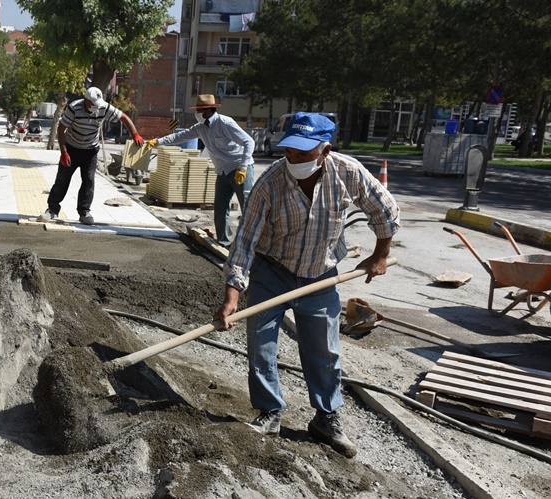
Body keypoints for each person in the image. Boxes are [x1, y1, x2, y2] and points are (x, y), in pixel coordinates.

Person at [212, 112, 400, 458]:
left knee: (324, 351)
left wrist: (380, 255)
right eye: (289, 152)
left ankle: (326, 418)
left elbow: (385, 211)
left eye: (302, 153)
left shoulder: (348, 173)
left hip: (320, 275)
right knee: (261, 344)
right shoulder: (270, 184)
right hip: (273, 271)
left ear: (324, 150)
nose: (293, 159)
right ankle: (270, 411)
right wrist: (232, 295)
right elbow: (244, 243)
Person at [145, 94, 255, 248]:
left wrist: (243, 167)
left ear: (209, 110)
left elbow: (249, 142)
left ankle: (251, 246)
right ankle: (223, 242)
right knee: (220, 207)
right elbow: (179, 137)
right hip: (223, 171)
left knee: (248, 209)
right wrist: (157, 142)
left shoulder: (225, 123)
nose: (197, 114)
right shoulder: (200, 128)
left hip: (240, 169)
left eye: (200, 110)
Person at [38, 87, 144, 225]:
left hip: (91, 150)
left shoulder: (104, 107)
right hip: (71, 148)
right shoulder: (74, 108)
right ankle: (52, 210)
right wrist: (64, 152)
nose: (96, 107)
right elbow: (61, 129)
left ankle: (84, 212)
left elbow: (124, 117)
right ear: (86, 101)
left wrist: (135, 134)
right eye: (93, 104)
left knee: (88, 180)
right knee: (62, 180)